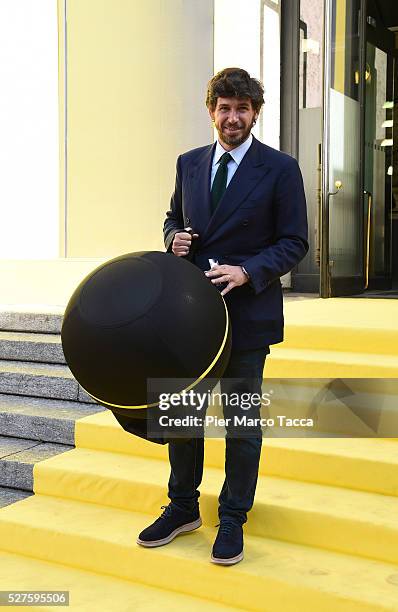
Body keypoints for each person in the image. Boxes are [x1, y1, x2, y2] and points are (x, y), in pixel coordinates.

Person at [136, 67, 309, 565]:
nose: (232, 117)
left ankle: (232, 517)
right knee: (182, 413)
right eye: (224, 108)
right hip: (189, 315)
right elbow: (173, 218)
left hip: (247, 317)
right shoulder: (189, 163)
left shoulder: (279, 168)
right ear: (211, 111)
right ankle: (183, 506)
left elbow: (295, 241)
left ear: (256, 112)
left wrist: (248, 271)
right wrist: (174, 239)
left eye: (242, 108)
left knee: (241, 422)